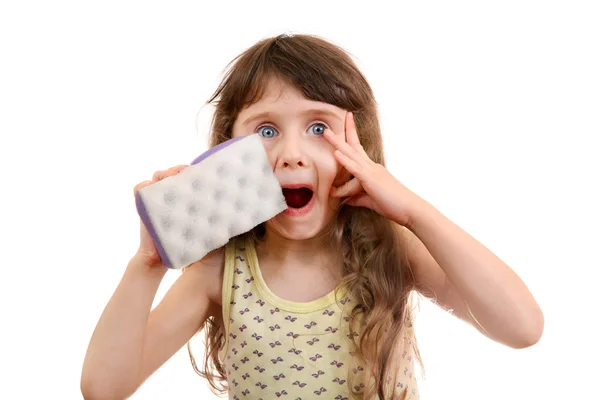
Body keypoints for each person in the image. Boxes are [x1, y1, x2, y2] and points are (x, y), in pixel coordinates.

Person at [81, 33, 544, 400]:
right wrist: (149, 261)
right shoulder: (221, 269)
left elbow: (522, 327)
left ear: (358, 145)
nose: (291, 154)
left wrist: (412, 210)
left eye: (319, 127)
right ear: (227, 150)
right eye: (266, 130)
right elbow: (104, 388)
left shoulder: (389, 249)